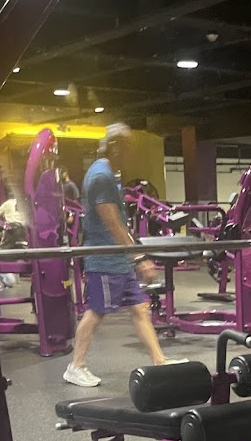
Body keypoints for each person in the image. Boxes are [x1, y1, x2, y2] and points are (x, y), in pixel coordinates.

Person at [63, 123, 177, 388]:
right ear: (115, 147)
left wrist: (132, 255)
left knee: (139, 309)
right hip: (105, 259)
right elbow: (112, 223)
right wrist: (138, 258)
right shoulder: (101, 176)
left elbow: (120, 223)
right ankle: (75, 366)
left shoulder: (107, 174)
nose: (130, 154)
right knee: (96, 312)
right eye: (128, 147)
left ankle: (159, 359)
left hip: (119, 260)